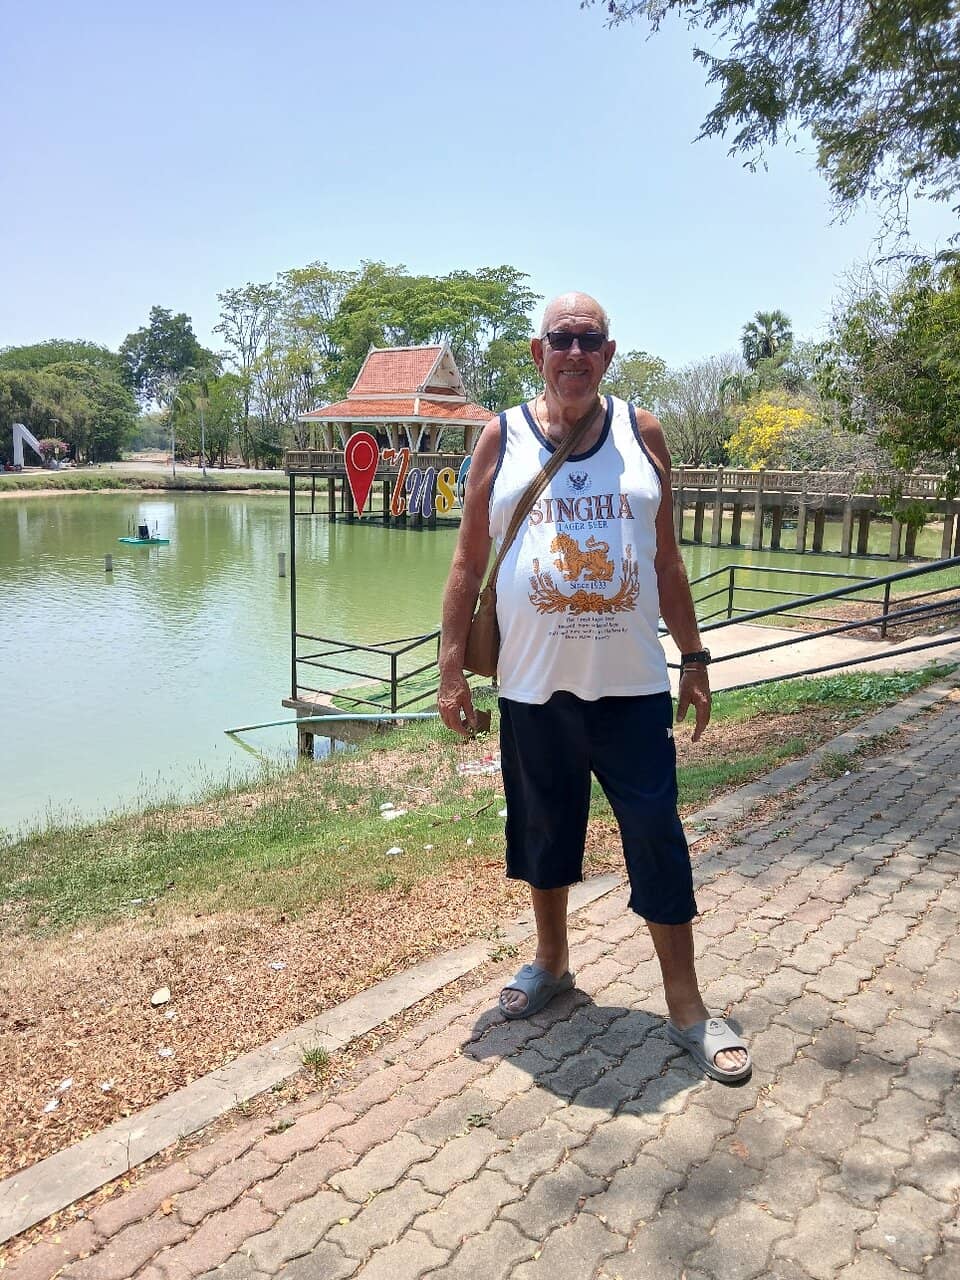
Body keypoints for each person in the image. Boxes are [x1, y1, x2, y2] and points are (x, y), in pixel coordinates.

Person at [437, 292, 750, 1083]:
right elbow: (467, 564)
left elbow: (669, 562)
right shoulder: (498, 437)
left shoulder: (643, 433)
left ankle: (687, 1007)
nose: (574, 352)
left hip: (632, 689)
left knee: (656, 835)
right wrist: (449, 669)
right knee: (544, 830)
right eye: (560, 339)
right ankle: (551, 963)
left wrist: (697, 658)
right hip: (533, 690)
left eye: (590, 340)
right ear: (537, 352)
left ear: (608, 354)